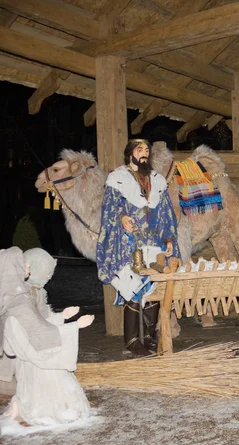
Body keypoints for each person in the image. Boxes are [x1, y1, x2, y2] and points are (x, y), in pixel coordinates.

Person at [96, 139, 179, 357]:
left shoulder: (157, 180)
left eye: (146, 150)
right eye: (139, 150)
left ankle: (150, 338)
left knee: (152, 288)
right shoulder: (117, 178)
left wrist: (169, 238)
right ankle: (132, 341)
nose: (144, 153)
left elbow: (167, 215)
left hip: (154, 242)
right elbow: (109, 208)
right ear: (129, 153)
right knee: (132, 288)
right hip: (129, 242)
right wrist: (122, 216)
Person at [0, 247, 93, 425]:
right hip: (34, 365)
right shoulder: (20, 304)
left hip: (29, 360)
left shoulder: (14, 298)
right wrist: (75, 326)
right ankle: (21, 401)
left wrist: (62, 316)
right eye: (23, 265)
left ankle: (20, 400)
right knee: (59, 405)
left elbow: (38, 325)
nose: (26, 268)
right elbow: (39, 338)